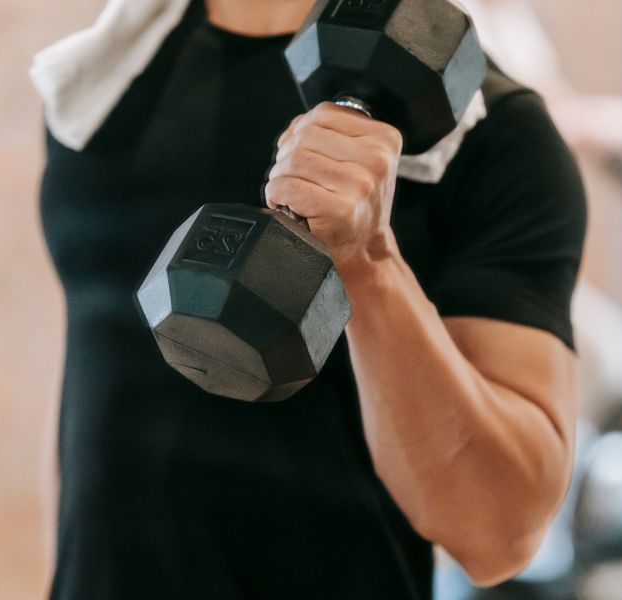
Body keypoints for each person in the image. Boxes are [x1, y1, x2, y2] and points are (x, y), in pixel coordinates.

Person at [31, 0, 585, 597]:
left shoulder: (495, 134)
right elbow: (94, 382)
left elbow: (499, 533)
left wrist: (370, 262)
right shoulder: (100, 86)